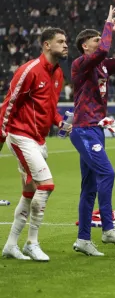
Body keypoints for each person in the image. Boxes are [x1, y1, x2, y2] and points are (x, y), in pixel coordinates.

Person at [70, 6, 115, 257]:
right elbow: (105, 50)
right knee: (107, 173)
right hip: (84, 128)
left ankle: (83, 240)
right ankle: (108, 228)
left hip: (96, 129)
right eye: (96, 40)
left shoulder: (103, 66)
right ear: (85, 46)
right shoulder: (81, 64)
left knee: (89, 188)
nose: (100, 43)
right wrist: (108, 23)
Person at [0, 27, 69, 261]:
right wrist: (1, 136)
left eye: (66, 41)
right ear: (46, 45)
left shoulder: (58, 74)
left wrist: (60, 123)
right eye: (60, 41)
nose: (66, 45)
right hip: (21, 136)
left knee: (28, 193)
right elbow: (8, 105)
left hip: (38, 140)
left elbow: (50, 109)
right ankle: (32, 242)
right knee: (46, 186)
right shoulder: (29, 70)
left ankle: (10, 245)